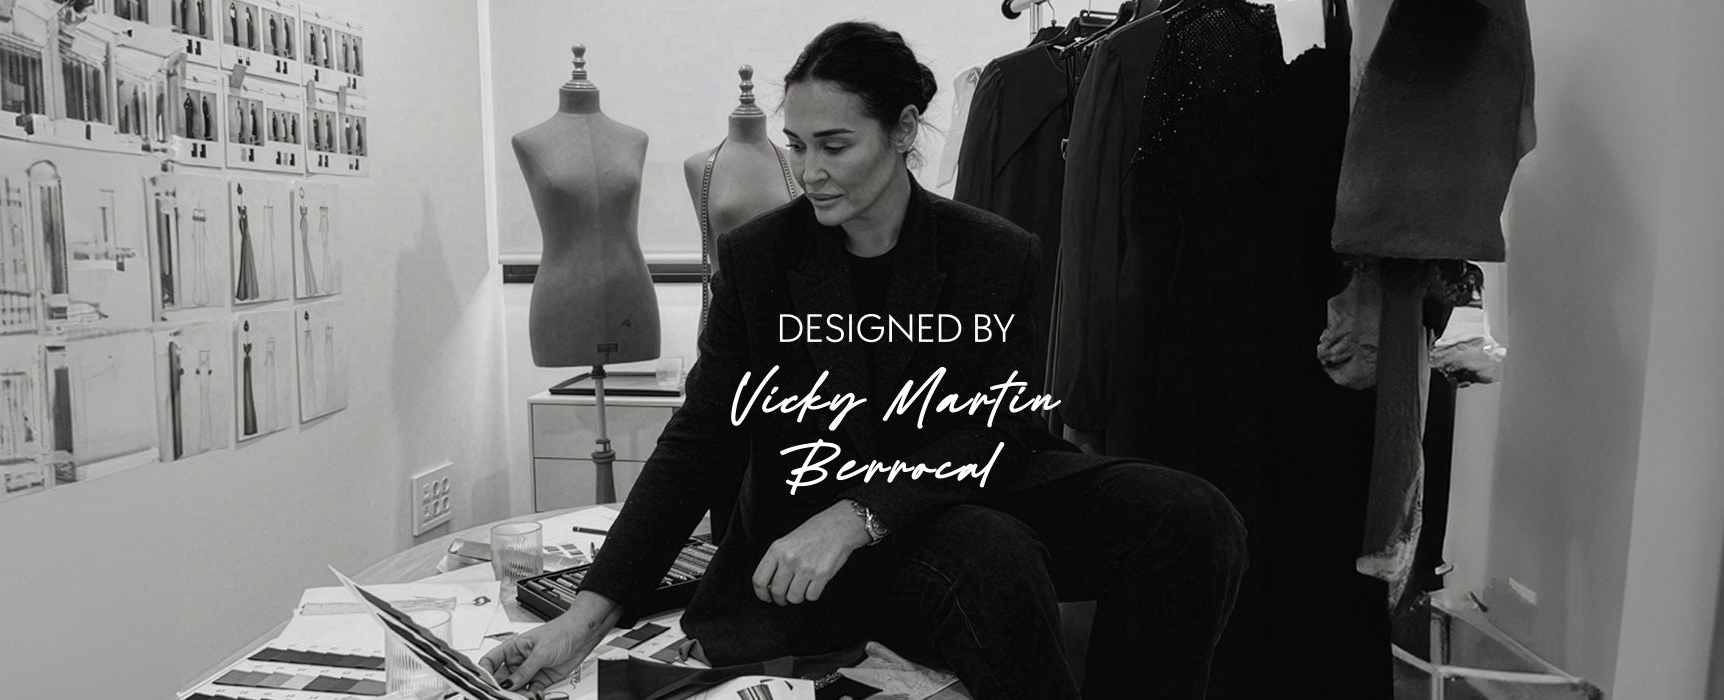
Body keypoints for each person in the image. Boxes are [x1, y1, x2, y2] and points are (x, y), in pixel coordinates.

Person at [484, 21, 1247, 699]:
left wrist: (861, 515)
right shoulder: (759, 260)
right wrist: (583, 620)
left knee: (1192, 516)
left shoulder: (995, 253)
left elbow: (995, 430)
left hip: (945, 487)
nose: (808, 170)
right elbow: (700, 439)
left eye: (834, 145)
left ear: (903, 129)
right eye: (797, 145)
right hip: (840, 533)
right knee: (991, 549)